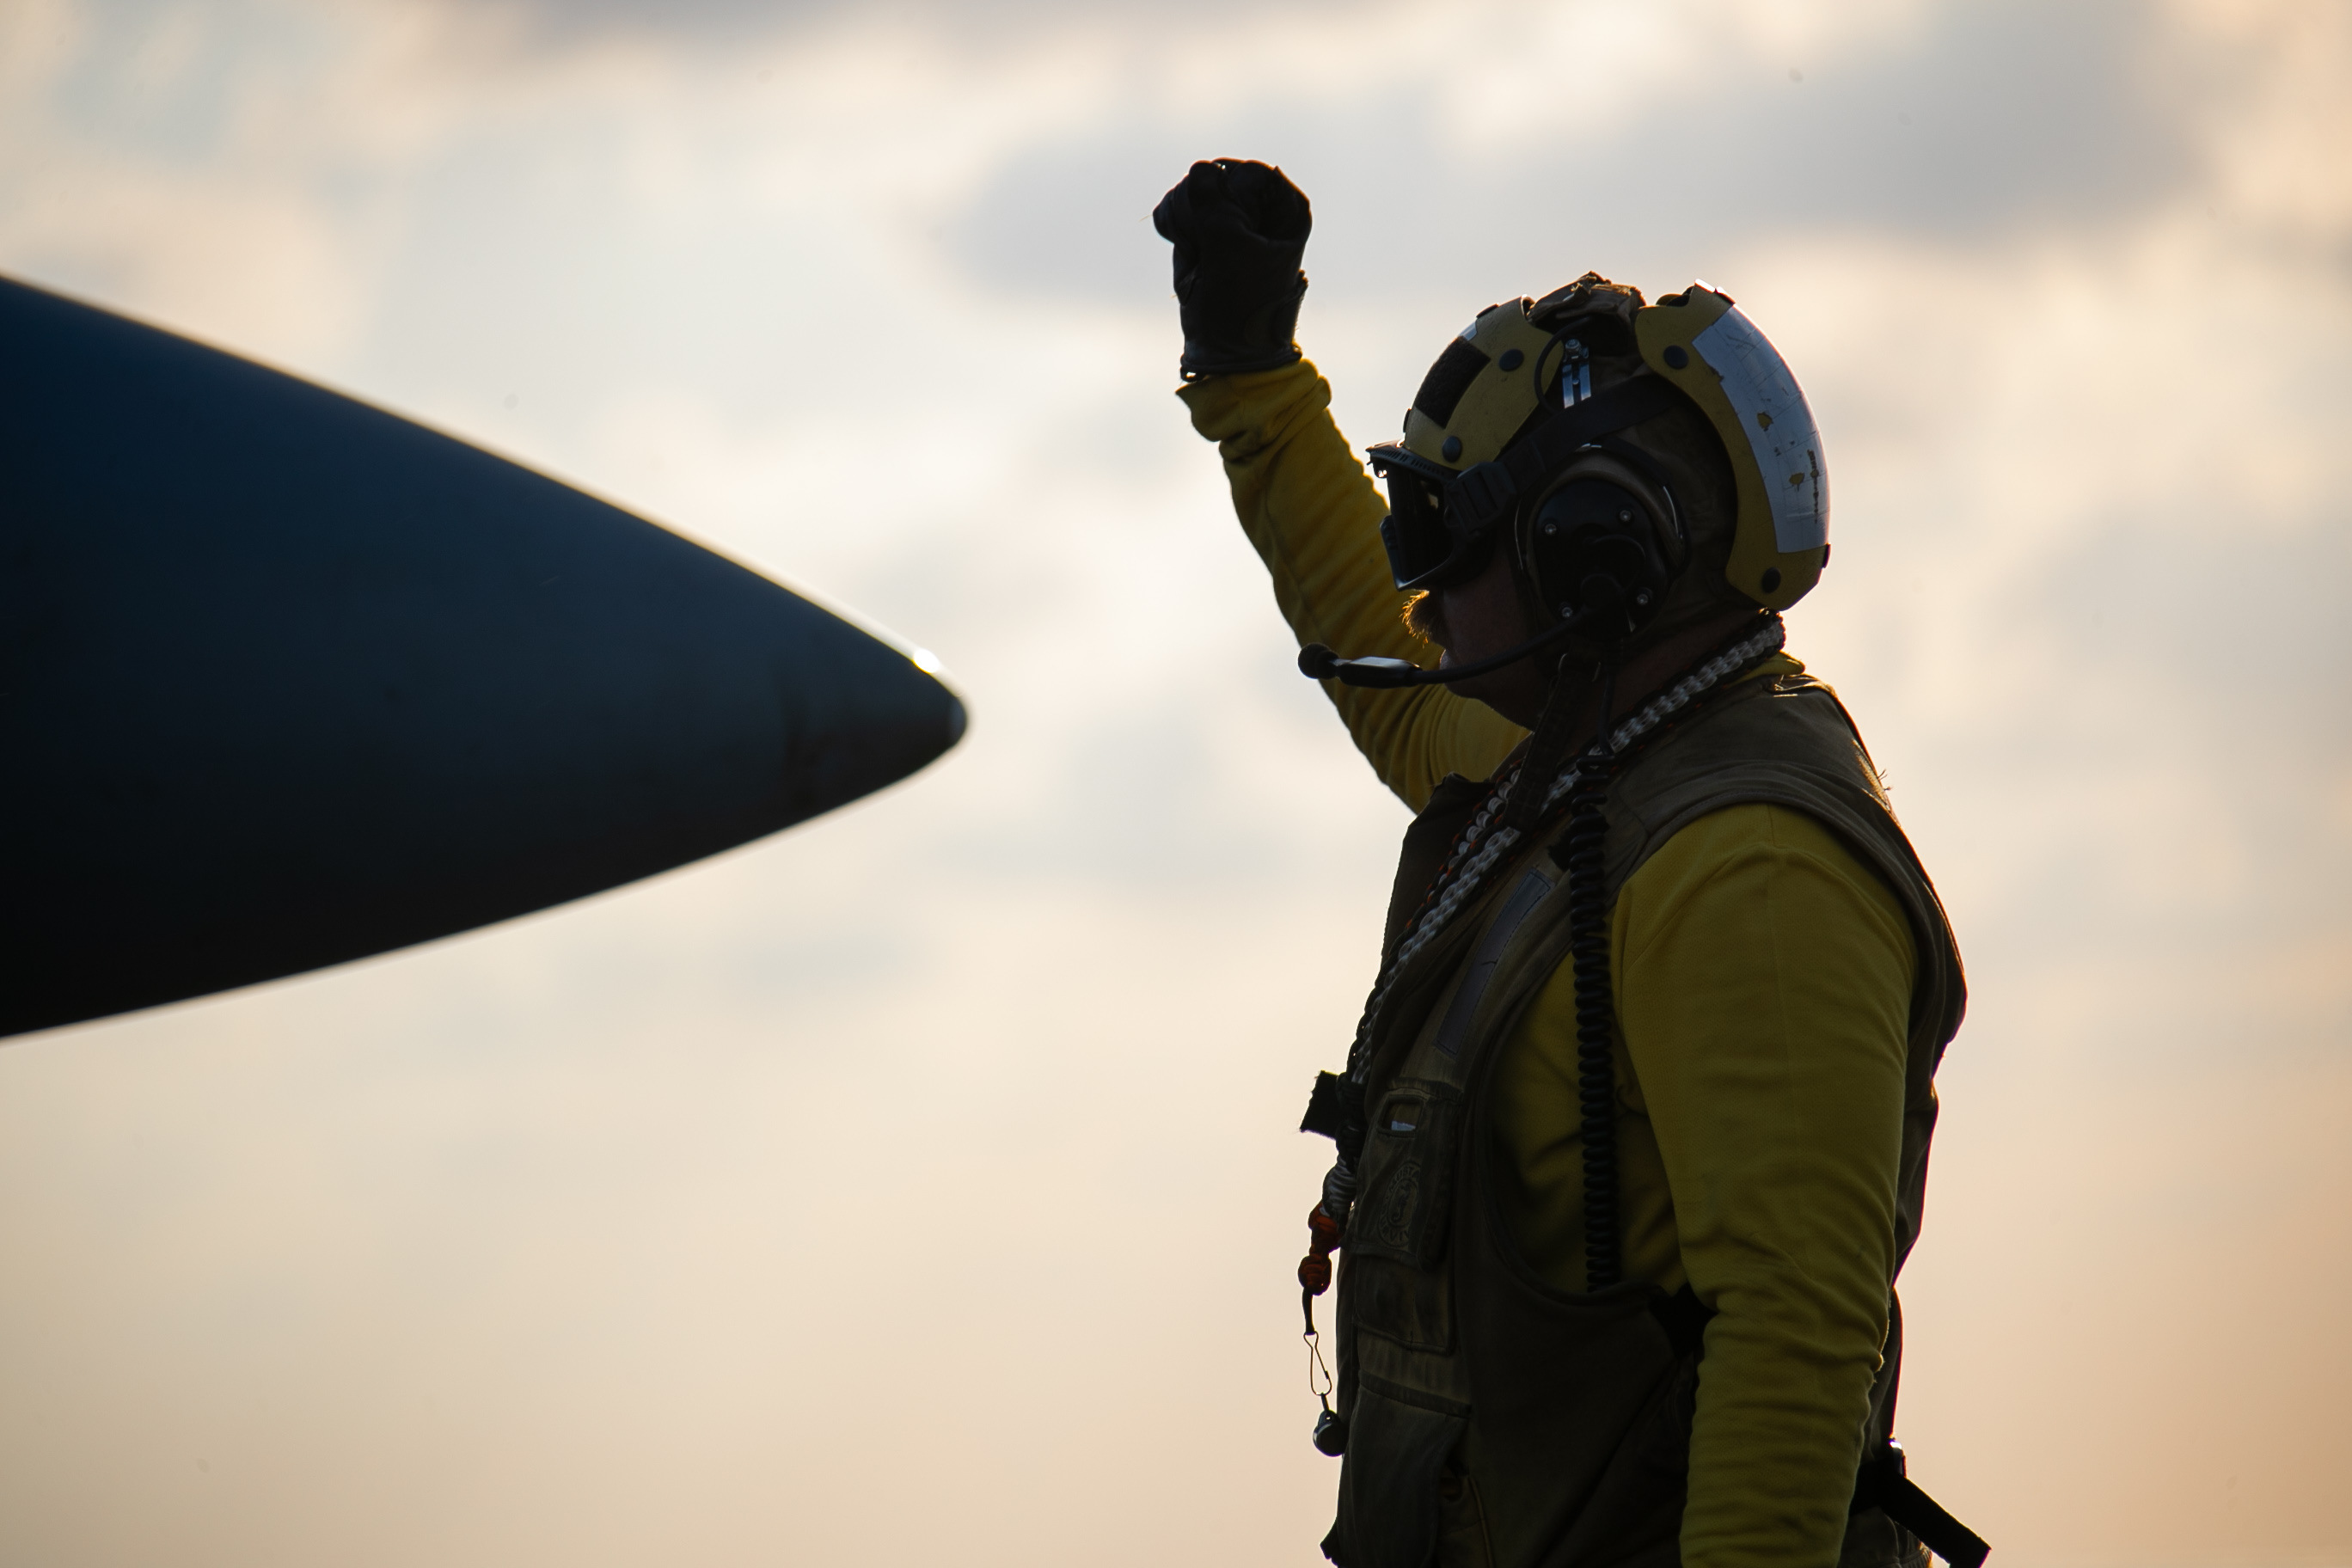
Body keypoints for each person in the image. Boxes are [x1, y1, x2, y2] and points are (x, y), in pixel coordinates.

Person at [1151, 159, 1984, 1568]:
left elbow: (1792, 1343)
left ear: (1592, 554)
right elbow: (1398, 669)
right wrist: (1250, 376)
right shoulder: (1583, 759)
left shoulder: (1748, 868)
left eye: (1448, 536)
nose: (1417, 587)